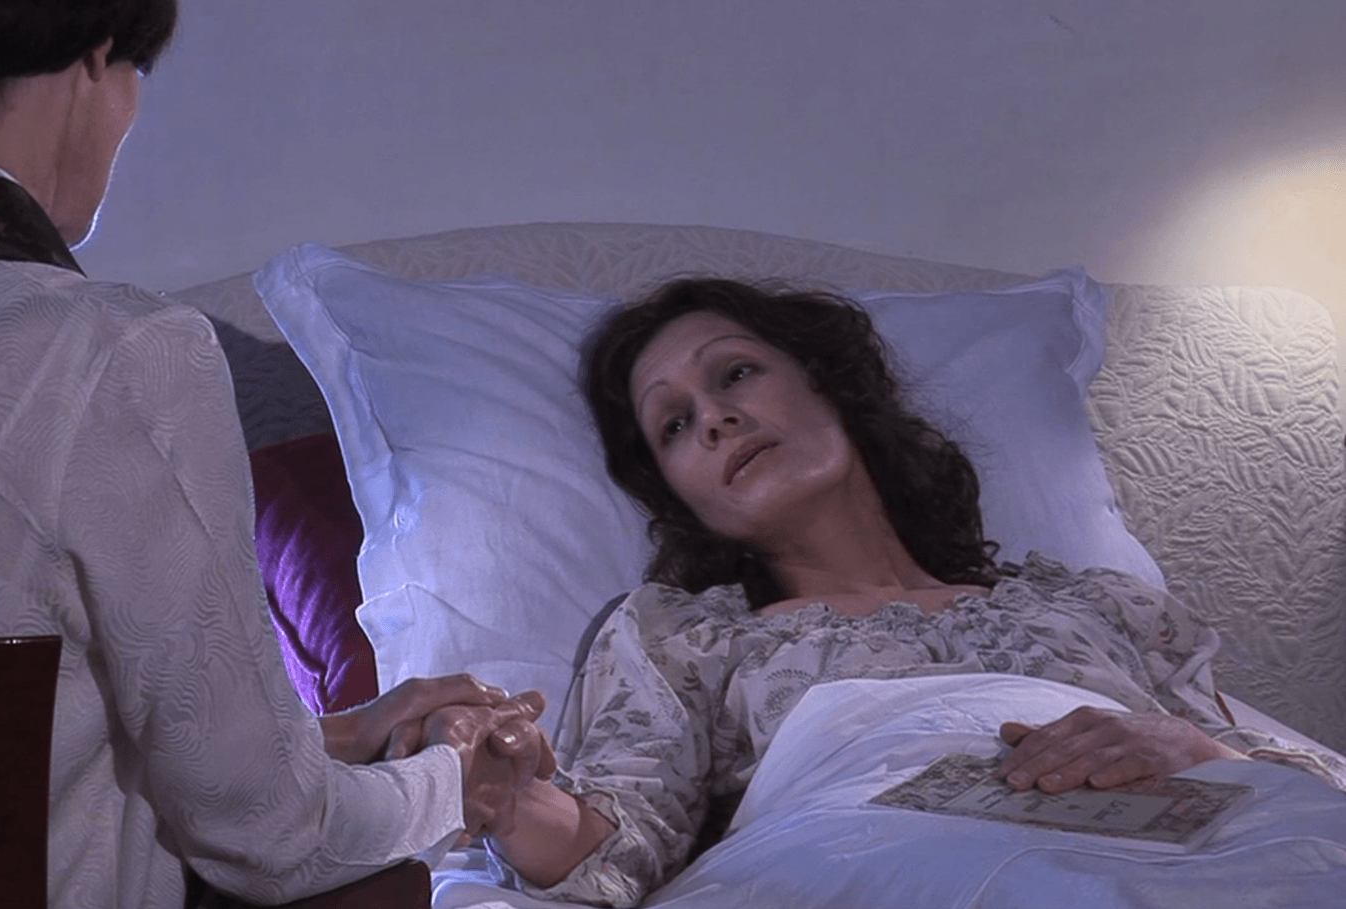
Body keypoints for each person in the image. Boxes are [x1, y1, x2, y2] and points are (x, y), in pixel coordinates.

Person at [0, 3, 548, 907]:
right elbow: (268, 834)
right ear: (95, 61)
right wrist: (455, 784)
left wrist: (338, 735)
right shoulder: (112, 351)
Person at [473, 277, 1346, 907]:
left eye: (734, 373)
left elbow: (1302, 782)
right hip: (879, 860)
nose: (713, 417)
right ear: (679, 494)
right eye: (673, 423)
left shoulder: (1102, 606)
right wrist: (504, 796)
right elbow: (616, 848)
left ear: (827, 381)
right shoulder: (682, 636)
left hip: (1193, 843)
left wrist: (1190, 742)